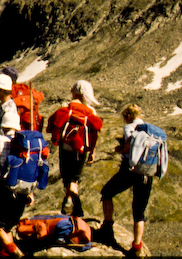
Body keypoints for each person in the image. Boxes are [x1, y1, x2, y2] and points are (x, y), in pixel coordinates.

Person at [0, 74, 30, 257]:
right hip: (19, 188)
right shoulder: (21, 142)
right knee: (7, 225)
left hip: (1, 185)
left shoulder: (1, 140)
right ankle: (4, 252)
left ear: (1, 89)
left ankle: (15, 252)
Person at [98, 104, 150, 257]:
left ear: (127, 116)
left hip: (130, 169)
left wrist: (120, 149)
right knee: (139, 211)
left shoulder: (129, 128)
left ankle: (108, 228)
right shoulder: (148, 128)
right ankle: (137, 246)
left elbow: (130, 146)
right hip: (147, 172)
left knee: (107, 192)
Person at [46, 80, 102, 217]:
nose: (70, 91)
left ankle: (71, 204)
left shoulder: (67, 106)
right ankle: (75, 208)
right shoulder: (91, 111)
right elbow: (94, 133)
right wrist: (92, 152)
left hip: (65, 147)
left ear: (76, 92)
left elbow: (54, 123)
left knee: (67, 179)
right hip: (81, 149)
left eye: (72, 89)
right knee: (75, 180)